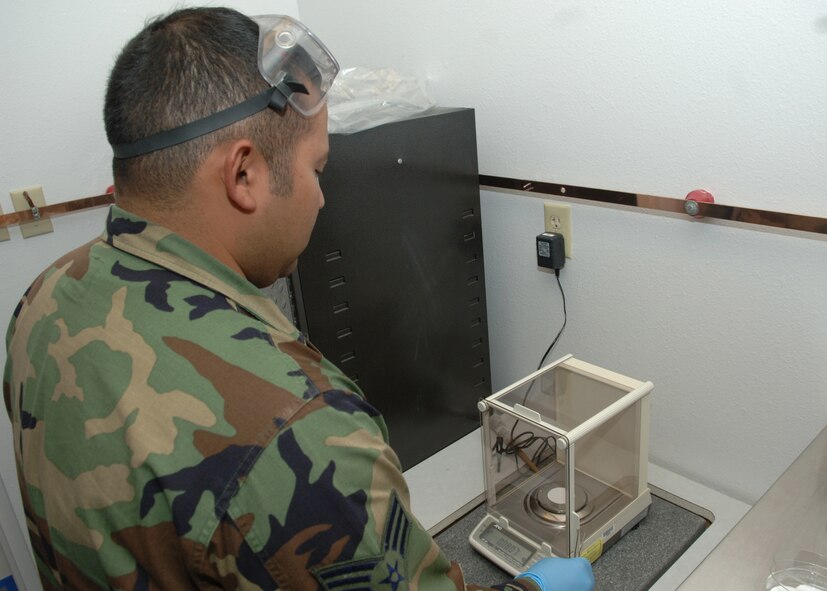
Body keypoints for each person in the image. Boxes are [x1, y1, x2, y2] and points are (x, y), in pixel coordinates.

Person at [3, 7, 594, 591]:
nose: (320, 199)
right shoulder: (299, 432)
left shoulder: (46, 300)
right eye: (318, 169)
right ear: (243, 175)